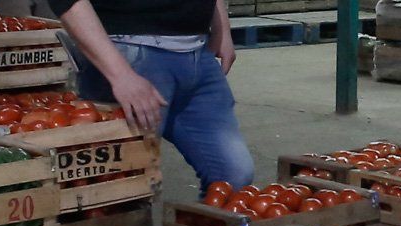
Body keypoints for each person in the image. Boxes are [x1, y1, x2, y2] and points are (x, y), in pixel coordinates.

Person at [50, 0, 255, 193]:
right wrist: (121, 74)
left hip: (198, 53)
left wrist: (221, 27)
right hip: (133, 54)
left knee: (233, 175)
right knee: (122, 188)